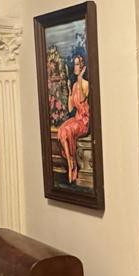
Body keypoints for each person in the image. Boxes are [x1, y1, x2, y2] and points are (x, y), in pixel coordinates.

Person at [55, 52, 91, 186]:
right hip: (76, 118)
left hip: (84, 121)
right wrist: (70, 91)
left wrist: (80, 78)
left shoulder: (85, 84)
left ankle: (72, 165)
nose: (75, 67)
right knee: (62, 130)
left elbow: (81, 99)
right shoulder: (75, 85)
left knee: (67, 130)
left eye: (77, 64)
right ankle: (71, 162)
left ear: (82, 66)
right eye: (74, 65)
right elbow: (71, 109)